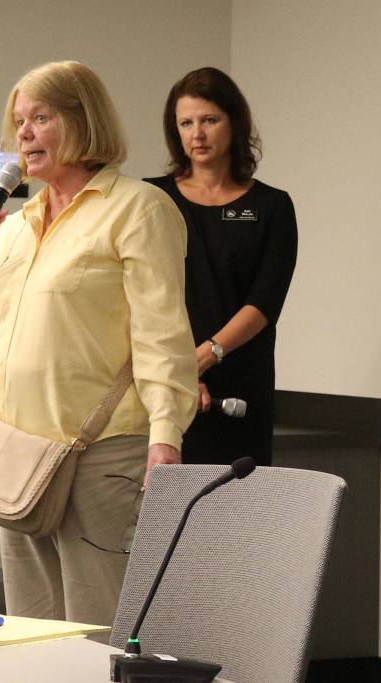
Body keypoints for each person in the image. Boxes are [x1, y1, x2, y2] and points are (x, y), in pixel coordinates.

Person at [0, 61, 196, 626]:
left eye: (40, 118)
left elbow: (163, 336)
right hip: (17, 459)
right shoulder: (17, 224)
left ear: (83, 121)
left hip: (100, 456)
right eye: (19, 120)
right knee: (31, 632)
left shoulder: (137, 209)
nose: (22, 133)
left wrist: (166, 438)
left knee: (93, 631)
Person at [145, 67, 297, 467]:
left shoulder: (272, 206)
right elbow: (139, 296)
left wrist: (209, 353)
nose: (198, 134)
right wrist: (180, 370)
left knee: (237, 519)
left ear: (235, 123)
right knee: (161, 519)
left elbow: (265, 301)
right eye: (186, 123)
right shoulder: (150, 200)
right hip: (163, 384)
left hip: (241, 384)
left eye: (210, 120)